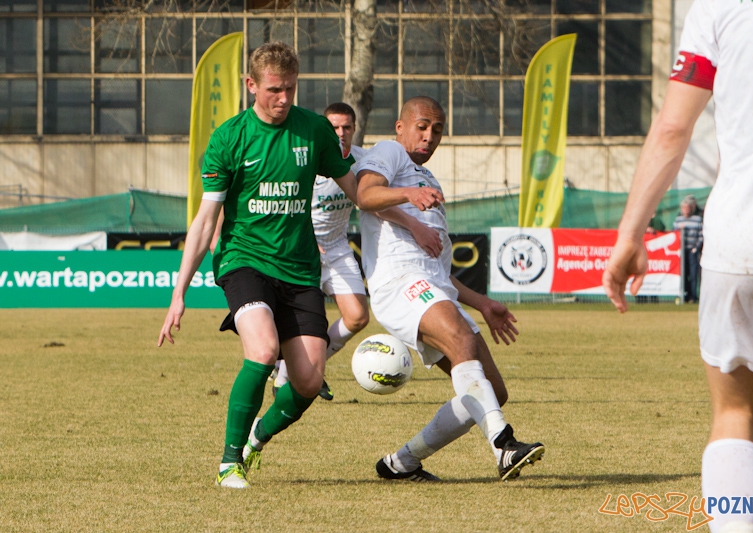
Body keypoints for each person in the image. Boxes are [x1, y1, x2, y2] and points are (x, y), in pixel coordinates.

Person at [602, 4, 753, 532]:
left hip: (740, 239)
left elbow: (672, 128)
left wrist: (630, 234)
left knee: (734, 417)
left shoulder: (717, 5)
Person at [157, 42, 358, 489]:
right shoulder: (230, 137)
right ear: (251, 85)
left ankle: (255, 440)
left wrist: (403, 199)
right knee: (264, 351)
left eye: (290, 89)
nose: (283, 98)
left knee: (308, 380)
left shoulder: (314, 131)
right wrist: (179, 293)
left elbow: (359, 191)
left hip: (301, 268)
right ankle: (229, 462)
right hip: (242, 260)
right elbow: (206, 217)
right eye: (273, 90)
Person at [356, 96, 545, 482]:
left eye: (437, 130)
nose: (429, 136)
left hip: (431, 286)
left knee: (492, 390)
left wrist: (483, 303)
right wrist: (408, 196)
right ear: (400, 127)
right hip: (400, 282)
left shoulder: (430, 181)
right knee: (460, 341)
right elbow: (365, 195)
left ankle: (402, 463)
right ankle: (504, 446)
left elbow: (444, 276)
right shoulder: (391, 153)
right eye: (422, 126)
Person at [271, 102, 370, 400]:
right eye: (334, 127)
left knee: (357, 317)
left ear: (354, 129)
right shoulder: (305, 157)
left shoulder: (364, 161)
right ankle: (285, 381)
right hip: (301, 249)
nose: (340, 133)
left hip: (338, 248)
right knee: (303, 321)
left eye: (346, 127)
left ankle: (309, 366)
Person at [672, 195, 703, 303]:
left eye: (688, 208)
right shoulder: (678, 220)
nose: (686, 210)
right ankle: (684, 295)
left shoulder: (697, 219)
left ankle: (693, 297)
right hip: (682, 252)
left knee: (693, 274)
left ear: (691, 208)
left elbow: (701, 235)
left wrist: (696, 247)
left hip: (692, 251)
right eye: (684, 208)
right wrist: (678, 229)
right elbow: (673, 234)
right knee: (684, 274)